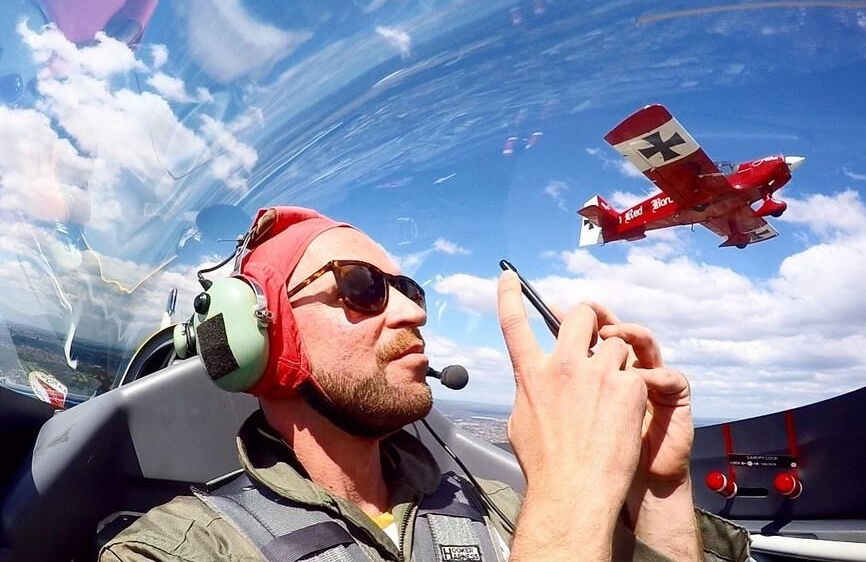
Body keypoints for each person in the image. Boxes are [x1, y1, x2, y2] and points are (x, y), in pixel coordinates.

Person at [99, 206, 750, 561]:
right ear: (260, 338)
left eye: (409, 290)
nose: (413, 311)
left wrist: (657, 487)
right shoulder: (178, 549)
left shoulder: (496, 505)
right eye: (362, 286)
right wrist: (570, 496)